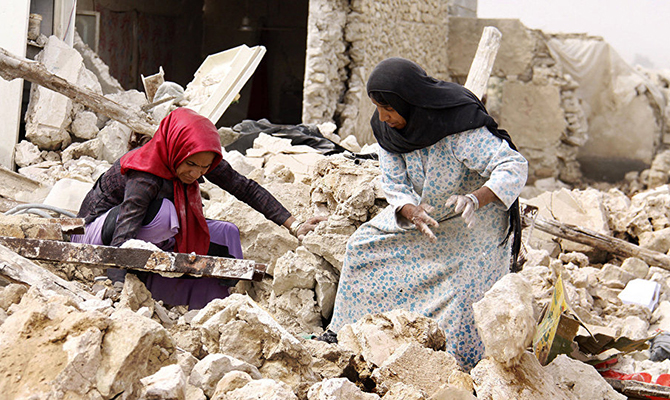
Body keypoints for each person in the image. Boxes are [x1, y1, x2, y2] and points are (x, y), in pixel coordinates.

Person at [326, 58, 528, 369]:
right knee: (362, 247)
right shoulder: (387, 130)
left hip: (473, 221)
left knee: (463, 285)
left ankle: (451, 364)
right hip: (425, 218)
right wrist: (411, 210)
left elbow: (513, 165)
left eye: (388, 108)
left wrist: (476, 199)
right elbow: (394, 182)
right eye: (378, 107)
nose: (383, 117)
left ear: (410, 101)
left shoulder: (456, 128)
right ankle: (346, 333)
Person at [71, 107, 322, 309]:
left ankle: (212, 300)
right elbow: (123, 238)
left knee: (227, 232)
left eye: (204, 168)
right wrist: (119, 289)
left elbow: (245, 188)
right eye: (191, 165)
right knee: (165, 214)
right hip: (94, 234)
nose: (196, 174)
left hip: (146, 232)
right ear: (176, 149)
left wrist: (295, 225)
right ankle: (144, 276)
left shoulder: (200, 160)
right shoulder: (144, 174)